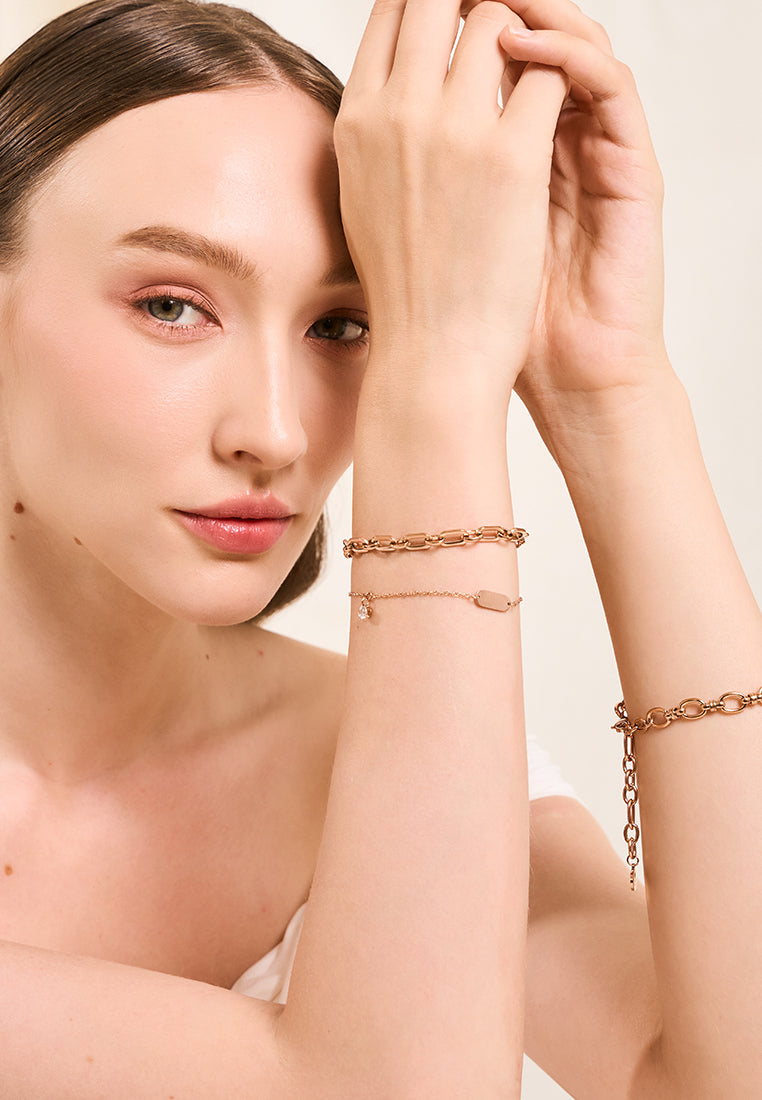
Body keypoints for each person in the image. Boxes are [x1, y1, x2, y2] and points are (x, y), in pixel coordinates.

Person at [0, 0, 759, 1096]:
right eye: (171, 305)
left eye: (344, 324)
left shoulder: (397, 747)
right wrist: (437, 376)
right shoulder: (416, 741)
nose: (274, 431)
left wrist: (612, 391)